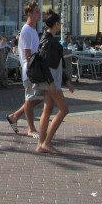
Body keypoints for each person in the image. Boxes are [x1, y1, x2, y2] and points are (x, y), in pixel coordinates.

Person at [35, 9, 72, 155]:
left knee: (48, 109)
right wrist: (52, 82)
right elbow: (46, 63)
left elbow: (54, 64)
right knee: (64, 109)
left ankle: (41, 143)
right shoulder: (49, 41)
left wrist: (66, 80)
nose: (60, 25)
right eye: (59, 23)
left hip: (51, 80)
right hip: (51, 81)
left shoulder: (47, 39)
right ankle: (47, 142)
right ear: (56, 24)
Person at [4, 1, 43, 138]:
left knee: (37, 97)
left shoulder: (32, 30)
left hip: (34, 68)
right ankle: (31, 128)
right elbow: (27, 53)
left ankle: (15, 116)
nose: (39, 14)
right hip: (30, 69)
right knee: (30, 98)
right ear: (29, 14)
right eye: (37, 11)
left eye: (39, 11)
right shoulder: (26, 30)